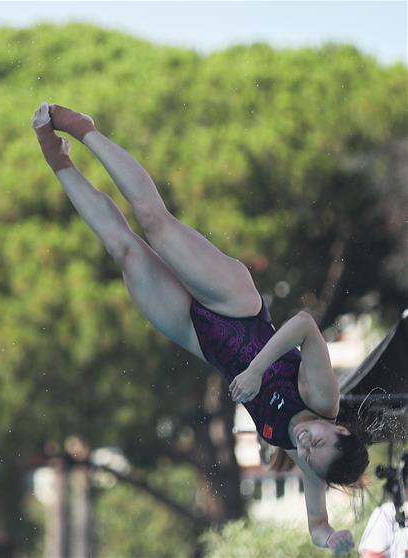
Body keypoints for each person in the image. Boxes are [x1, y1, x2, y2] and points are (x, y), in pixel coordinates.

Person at [33, 102, 369, 554]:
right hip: (238, 308)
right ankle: (86, 132)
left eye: (309, 455)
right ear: (342, 430)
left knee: (123, 249)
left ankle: (60, 162)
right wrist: (254, 371)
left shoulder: (310, 464)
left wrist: (333, 540)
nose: (306, 446)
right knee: (154, 222)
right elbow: (306, 325)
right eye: (319, 443)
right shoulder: (323, 399)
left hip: (199, 337)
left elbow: (316, 525)